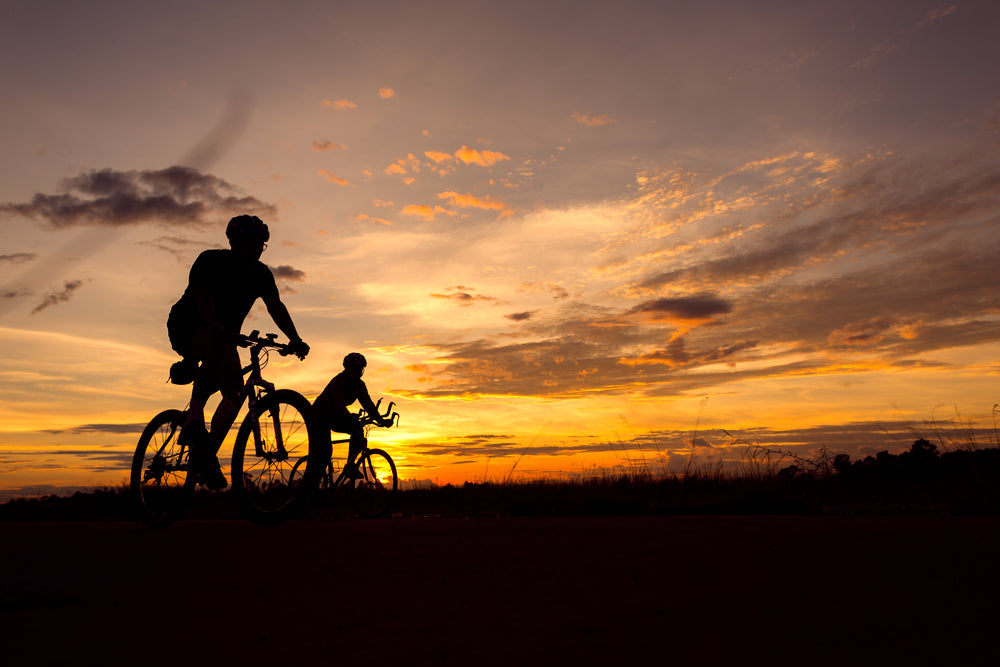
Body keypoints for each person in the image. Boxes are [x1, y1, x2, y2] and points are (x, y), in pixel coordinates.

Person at [167, 214, 309, 488]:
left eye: (261, 244)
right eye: (252, 243)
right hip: (187, 325)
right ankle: (194, 418)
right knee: (218, 346)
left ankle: (205, 453)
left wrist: (295, 339)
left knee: (235, 393)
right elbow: (203, 297)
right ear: (235, 242)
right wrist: (214, 324)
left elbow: (275, 306)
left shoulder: (261, 274)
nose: (257, 249)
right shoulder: (210, 261)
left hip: (225, 336)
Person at [312, 352, 391, 478]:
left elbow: (368, 404)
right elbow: (338, 404)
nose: (358, 372)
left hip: (335, 415)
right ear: (347, 368)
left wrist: (381, 420)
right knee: (325, 452)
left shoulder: (360, 385)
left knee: (358, 431)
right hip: (319, 415)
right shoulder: (338, 381)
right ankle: (313, 483)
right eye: (355, 369)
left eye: (360, 370)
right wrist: (349, 417)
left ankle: (350, 466)